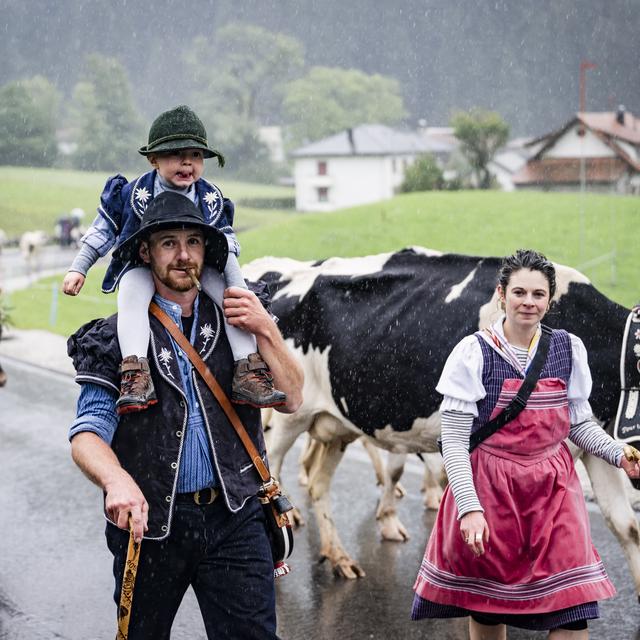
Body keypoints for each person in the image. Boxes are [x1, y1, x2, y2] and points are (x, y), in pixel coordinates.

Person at [67, 191, 304, 639]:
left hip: (236, 516)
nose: (183, 255)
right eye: (168, 243)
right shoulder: (115, 337)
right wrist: (116, 481)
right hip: (151, 527)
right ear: (145, 251)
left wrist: (266, 328)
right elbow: (86, 435)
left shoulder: (242, 323)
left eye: (193, 241)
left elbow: (292, 398)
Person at [411, 249, 640, 639]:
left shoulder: (568, 348)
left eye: (538, 294)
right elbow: (452, 439)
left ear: (550, 300)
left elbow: (579, 424)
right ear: (502, 294)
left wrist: (618, 453)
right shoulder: (473, 353)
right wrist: (469, 508)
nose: (528, 302)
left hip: (554, 490)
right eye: (519, 292)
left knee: (572, 609)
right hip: (491, 491)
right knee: (489, 607)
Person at [62, 104, 286, 415]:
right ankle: (136, 373)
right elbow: (103, 230)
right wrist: (79, 267)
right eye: (175, 154)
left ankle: (246, 369)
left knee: (231, 302)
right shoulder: (131, 193)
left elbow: (226, 245)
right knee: (130, 295)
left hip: (200, 265)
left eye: (195, 155)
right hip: (142, 265)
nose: (186, 162)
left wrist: (239, 291)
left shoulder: (210, 198)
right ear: (153, 159)